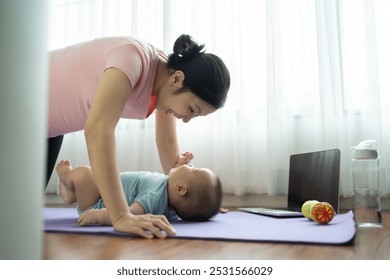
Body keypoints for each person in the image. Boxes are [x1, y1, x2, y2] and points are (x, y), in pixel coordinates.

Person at [47, 34, 230, 238]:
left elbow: (166, 142)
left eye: (194, 116)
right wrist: (121, 216)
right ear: (177, 79)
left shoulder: (164, 84)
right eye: (191, 109)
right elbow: (98, 131)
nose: (186, 119)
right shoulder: (132, 59)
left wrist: (200, 202)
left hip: (49, 128)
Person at [55, 152, 222, 226]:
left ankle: (66, 179)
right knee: (95, 176)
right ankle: (70, 195)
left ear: (180, 188)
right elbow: (182, 188)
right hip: (102, 190)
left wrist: (98, 216)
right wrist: (207, 205)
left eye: (194, 169)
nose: (191, 165)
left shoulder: (154, 196)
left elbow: (130, 213)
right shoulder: (170, 196)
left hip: (99, 201)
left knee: (86, 173)